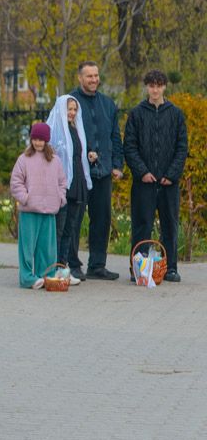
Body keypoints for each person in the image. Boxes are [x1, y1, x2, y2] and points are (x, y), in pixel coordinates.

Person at [124, 70, 188, 283]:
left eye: (159, 85)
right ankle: (138, 269)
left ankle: (170, 268)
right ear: (147, 87)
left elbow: (182, 147)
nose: (155, 89)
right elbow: (130, 147)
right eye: (151, 85)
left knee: (170, 225)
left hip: (168, 183)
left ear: (165, 87)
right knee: (142, 225)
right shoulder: (136, 114)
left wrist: (172, 174)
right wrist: (142, 172)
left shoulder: (176, 114)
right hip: (144, 182)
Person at [68, 61, 124, 280]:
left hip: (103, 173)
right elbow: (63, 134)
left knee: (101, 219)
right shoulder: (70, 102)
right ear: (80, 78)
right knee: (75, 219)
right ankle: (72, 264)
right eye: (89, 76)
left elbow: (115, 138)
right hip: (79, 174)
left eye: (96, 76)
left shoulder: (108, 104)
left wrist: (117, 164)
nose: (93, 80)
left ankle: (97, 265)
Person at [10, 124, 67, 289]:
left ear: (46, 140)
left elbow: (62, 183)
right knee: (27, 248)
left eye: (41, 139)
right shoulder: (24, 159)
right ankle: (27, 278)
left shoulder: (55, 161)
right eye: (35, 139)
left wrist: (60, 199)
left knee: (47, 248)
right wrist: (25, 198)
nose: (37, 142)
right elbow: (16, 182)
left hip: (49, 211)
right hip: (29, 211)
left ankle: (47, 275)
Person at [47, 95, 91, 283]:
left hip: (77, 183)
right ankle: (53, 267)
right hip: (62, 186)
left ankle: (63, 267)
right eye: (69, 109)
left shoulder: (76, 129)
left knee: (70, 229)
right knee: (59, 228)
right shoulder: (53, 130)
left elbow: (77, 155)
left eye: (74, 110)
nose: (72, 113)